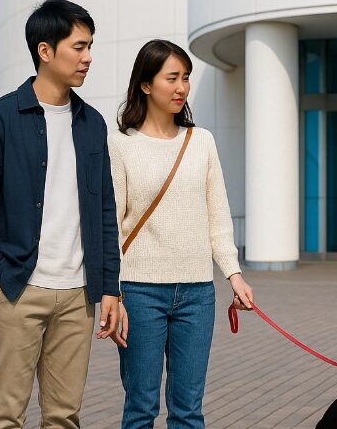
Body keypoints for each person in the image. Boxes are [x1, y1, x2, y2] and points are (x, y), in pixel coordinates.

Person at [0, 0, 123, 429]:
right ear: (45, 51)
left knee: (64, 417)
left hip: (77, 295)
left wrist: (110, 287)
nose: (88, 57)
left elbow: (104, 210)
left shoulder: (92, 124)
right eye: (79, 46)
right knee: (4, 417)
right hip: (18, 289)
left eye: (90, 46)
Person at [109, 39, 253, 429]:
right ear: (145, 84)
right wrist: (114, 293)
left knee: (189, 410)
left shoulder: (201, 141)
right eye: (171, 78)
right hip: (139, 292)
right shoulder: (120, 145)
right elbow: (112, 225)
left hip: (197, 293)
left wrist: (234, 274)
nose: (181, 88)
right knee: (141, 407)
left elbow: (217, 216)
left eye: (186, 78)